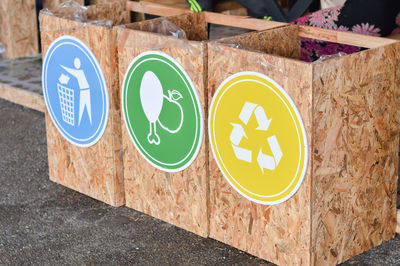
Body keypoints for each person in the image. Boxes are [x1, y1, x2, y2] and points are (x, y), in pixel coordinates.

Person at [61, 57, 92, 126]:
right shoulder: (80, 72)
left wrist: (62, 67)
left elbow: (71, 71)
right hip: (84, 90)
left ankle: (86, 123)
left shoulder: (79, 72)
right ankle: (81, 124)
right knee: (83, 109)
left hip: (85, 91)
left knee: (85, 109)